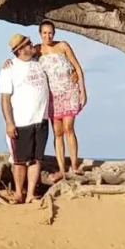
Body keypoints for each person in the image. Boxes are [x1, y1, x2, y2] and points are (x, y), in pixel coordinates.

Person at [0, 32, 51, 203]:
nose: (32, 46)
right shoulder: (9, 69)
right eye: (28, 44)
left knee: (36, 160)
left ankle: (30, 194)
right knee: (19, 161)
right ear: (20, 51)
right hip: (21, 121)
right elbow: (5, 98)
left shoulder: (38, 61)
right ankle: (18, 193)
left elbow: (56, 47)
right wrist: (9, 122)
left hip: (41, 119)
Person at [38, 19, 87, 177]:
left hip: (69, 91)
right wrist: (9, 62)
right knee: (57, 132)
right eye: (45, 33)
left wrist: (82, 90)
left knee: (68, 128)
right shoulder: (37, 50)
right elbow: (22, 57)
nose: (48, 36)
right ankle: (61, 168)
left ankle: (74, 164)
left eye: (50, 33)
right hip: (52, 95)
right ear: (40, 34)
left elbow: (78, 68)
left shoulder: (63, 46)